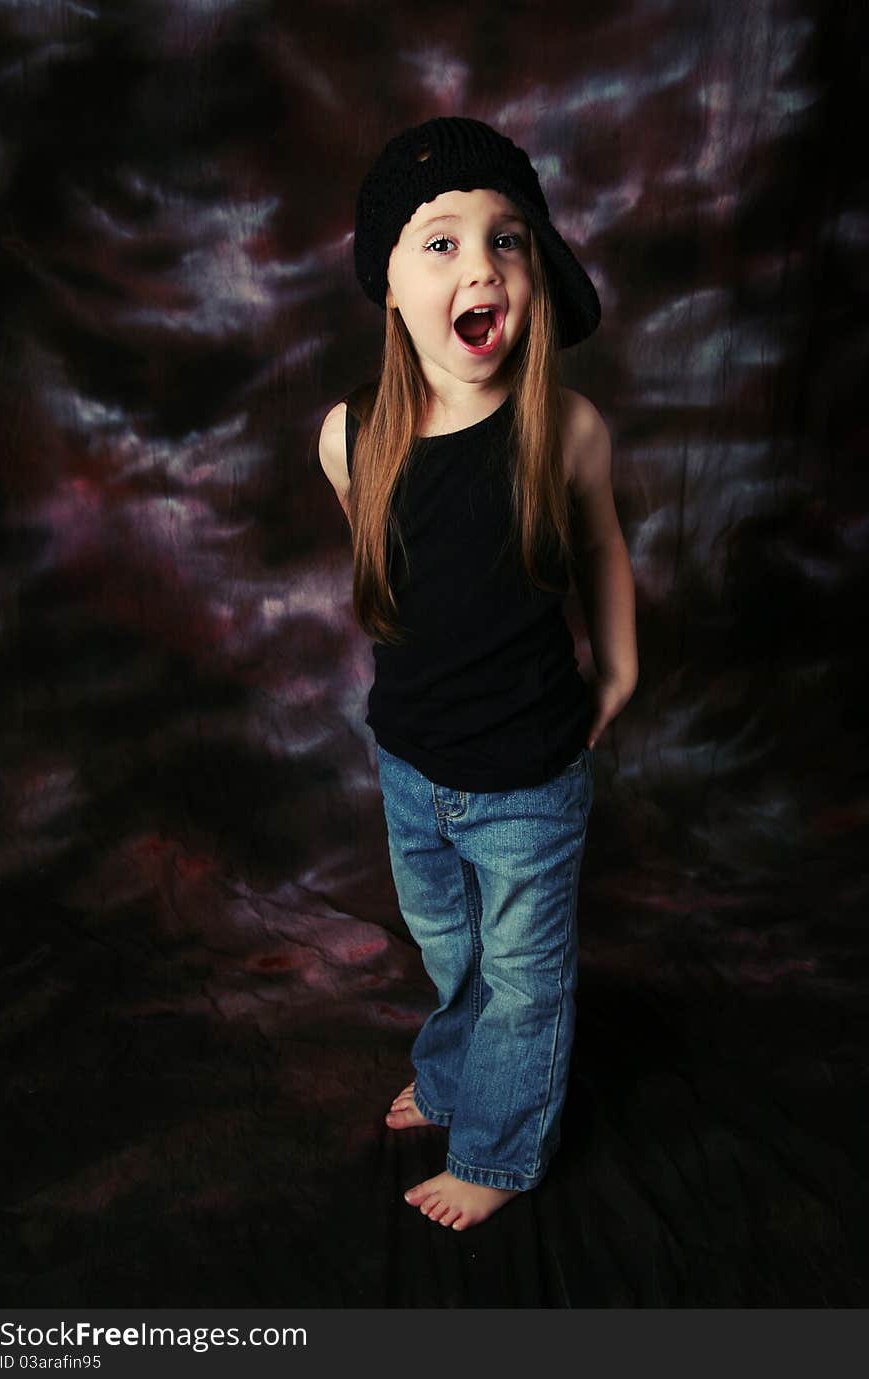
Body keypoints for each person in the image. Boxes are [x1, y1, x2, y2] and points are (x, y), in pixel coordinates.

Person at [318, 117, 637, 1231]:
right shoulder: (351, 436)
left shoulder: (567, 433)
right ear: (389, 285)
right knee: (449, 947)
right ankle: (453, 1078)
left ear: (535, 273)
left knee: (524, 979)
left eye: (507, 239)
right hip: (410, 764)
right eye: (440, 243)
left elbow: (599, 550)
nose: (481, 266)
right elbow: (400, 567)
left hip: (528, 780)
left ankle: (498, 1153)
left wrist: (617, 672)